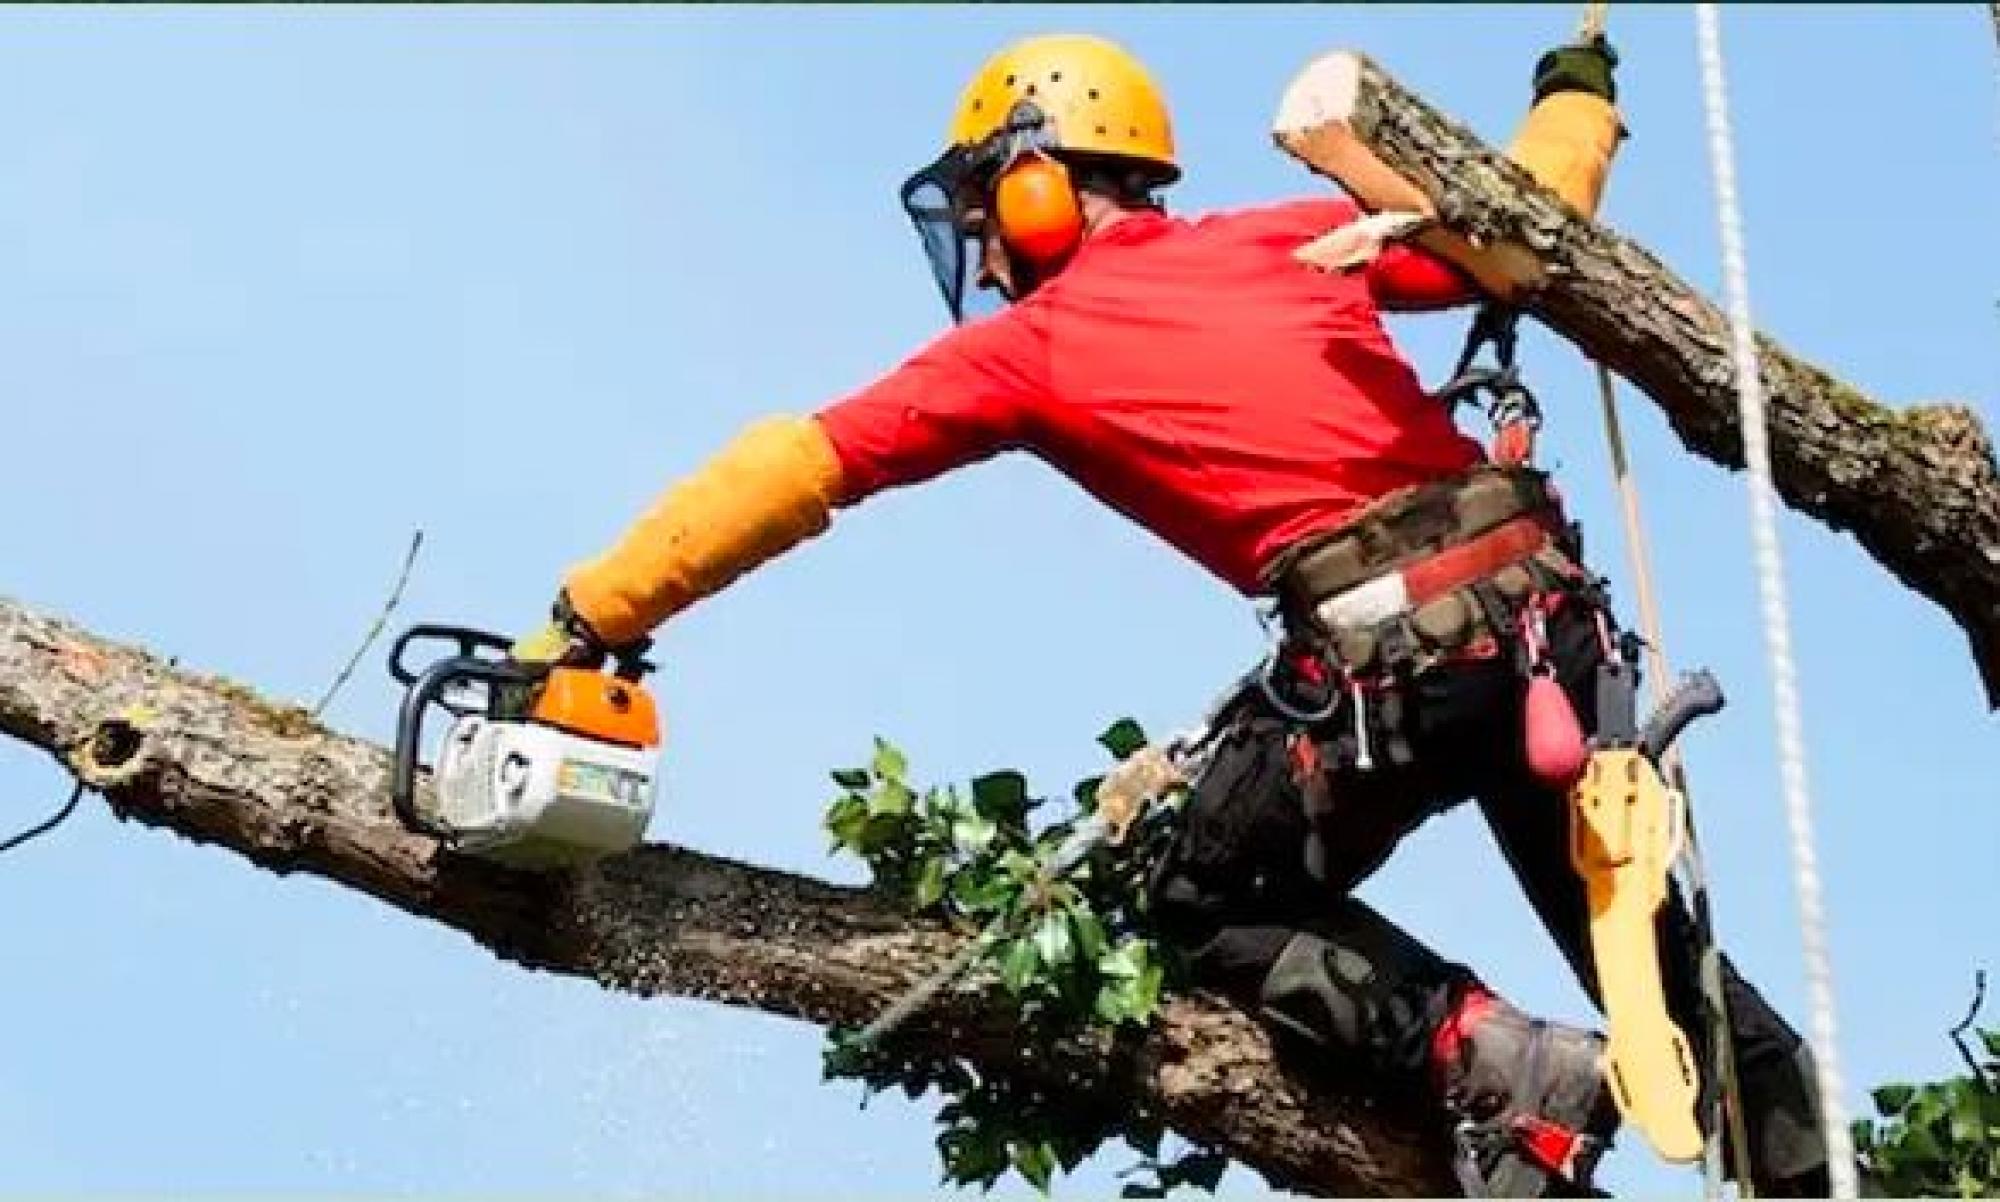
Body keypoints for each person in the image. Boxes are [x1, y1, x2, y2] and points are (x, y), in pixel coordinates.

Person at [507, 30, 1830, 1197]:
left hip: (1391, 664)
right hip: (1544, 631)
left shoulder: (1030, 344)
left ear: (1037, 180)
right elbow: (1531, 223)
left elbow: (802, 464)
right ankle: (1825, 1177)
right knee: (1660, 967)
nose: (982, 245)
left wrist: (597, 610)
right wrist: (1576, 94)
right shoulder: (1285, 236)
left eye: (986, 209)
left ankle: (1487, 1058)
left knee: (1195, 899)